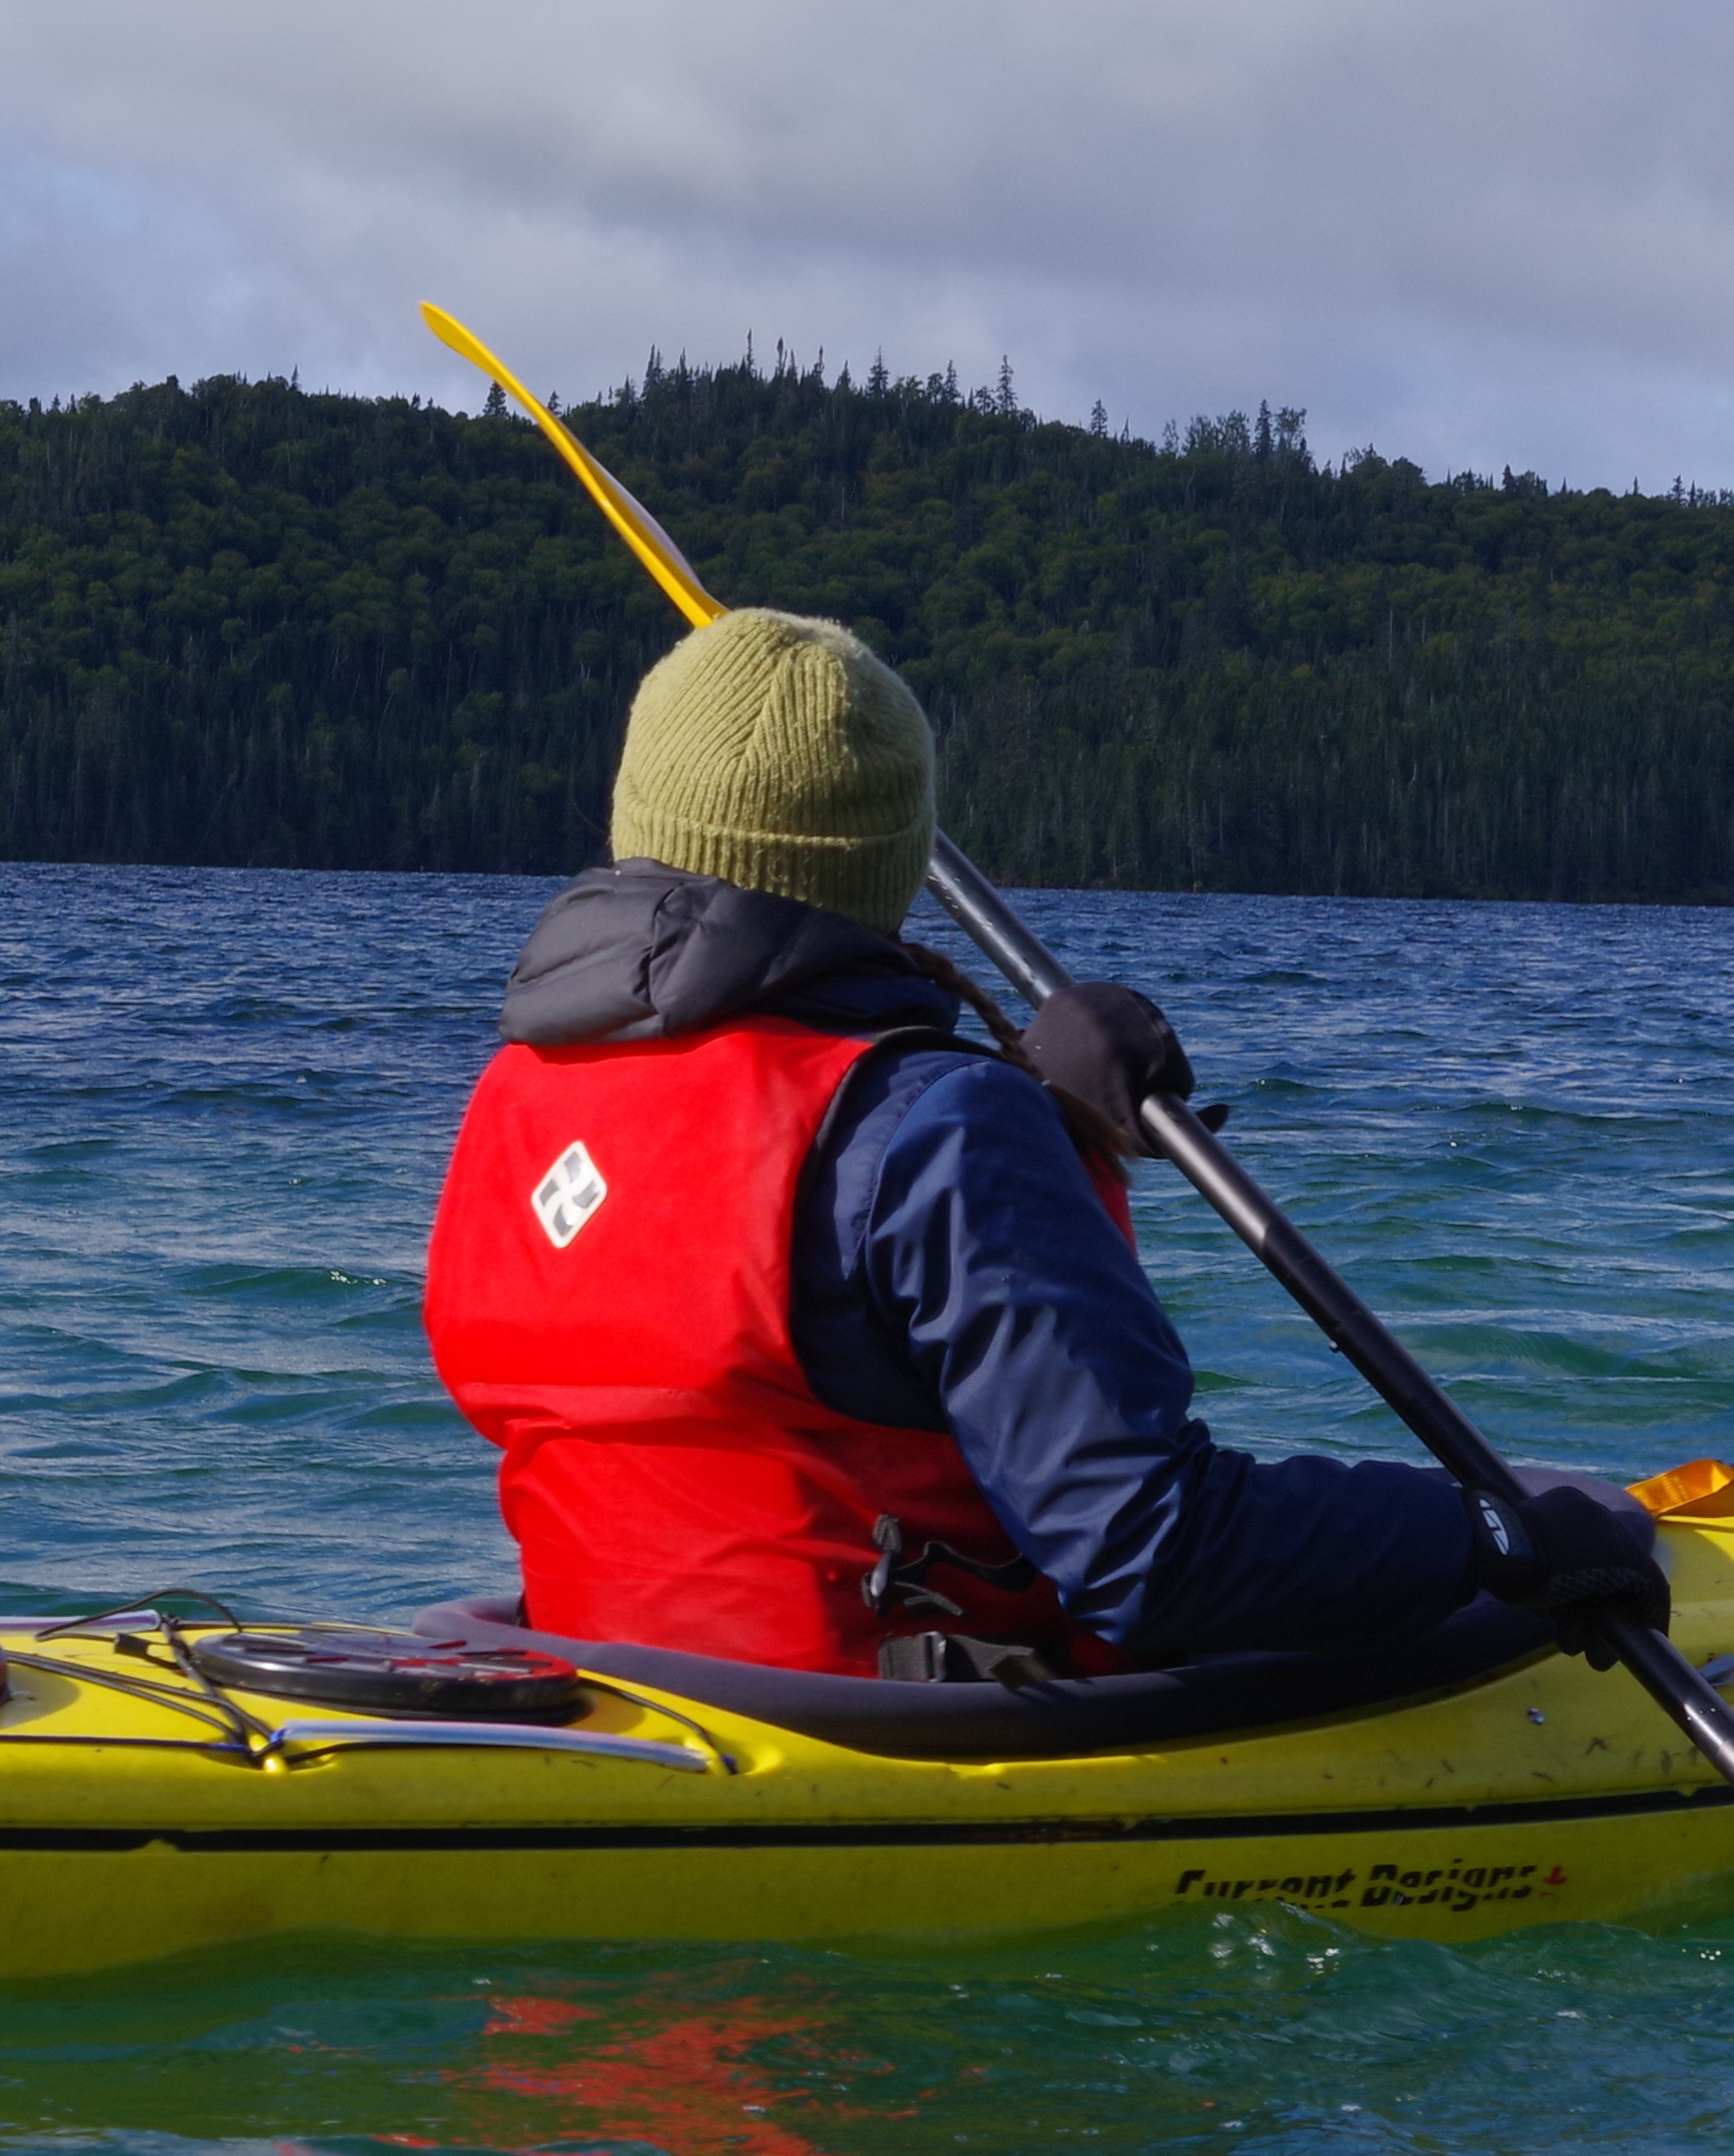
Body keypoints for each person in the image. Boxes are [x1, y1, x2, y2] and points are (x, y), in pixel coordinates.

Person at [420, 606, 1668, 1681]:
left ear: (637, 826)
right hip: (909, 1720)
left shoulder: (521, 1092)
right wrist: (1492, 1537)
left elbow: (786, 1285)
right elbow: (1149, 1555)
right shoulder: (935, 1125)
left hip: (615, 1678)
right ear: (889, 861)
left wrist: (1032, 1109)